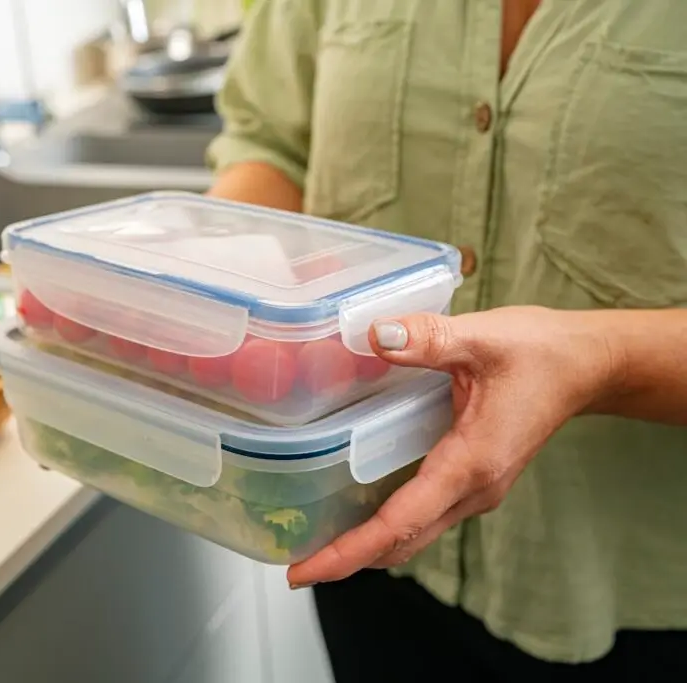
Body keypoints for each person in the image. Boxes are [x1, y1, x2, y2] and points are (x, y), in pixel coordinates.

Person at [205, 1, 687, 681]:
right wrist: (222, 287)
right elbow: (270, 145)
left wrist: (604, 359)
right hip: (367, 542)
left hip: (637, 600)